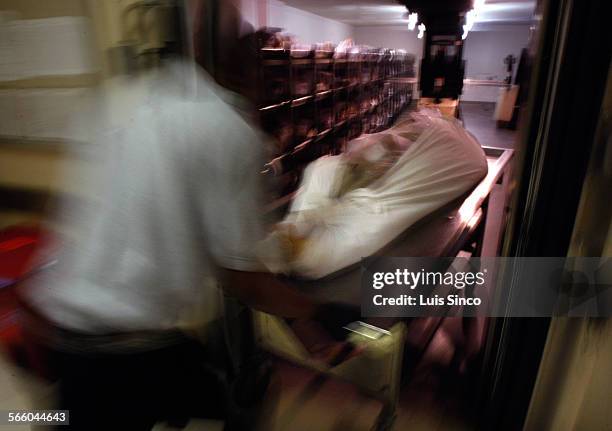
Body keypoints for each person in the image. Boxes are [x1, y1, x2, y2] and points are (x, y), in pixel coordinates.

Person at [19, 1, 351, 429]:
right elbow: (241, 279)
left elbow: (76, 211)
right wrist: (317, 317)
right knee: (238, 404)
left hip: (55, 319)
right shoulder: (226, 130)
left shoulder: (118, 98)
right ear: (249, 72)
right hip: (125, 347)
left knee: (78, 411)